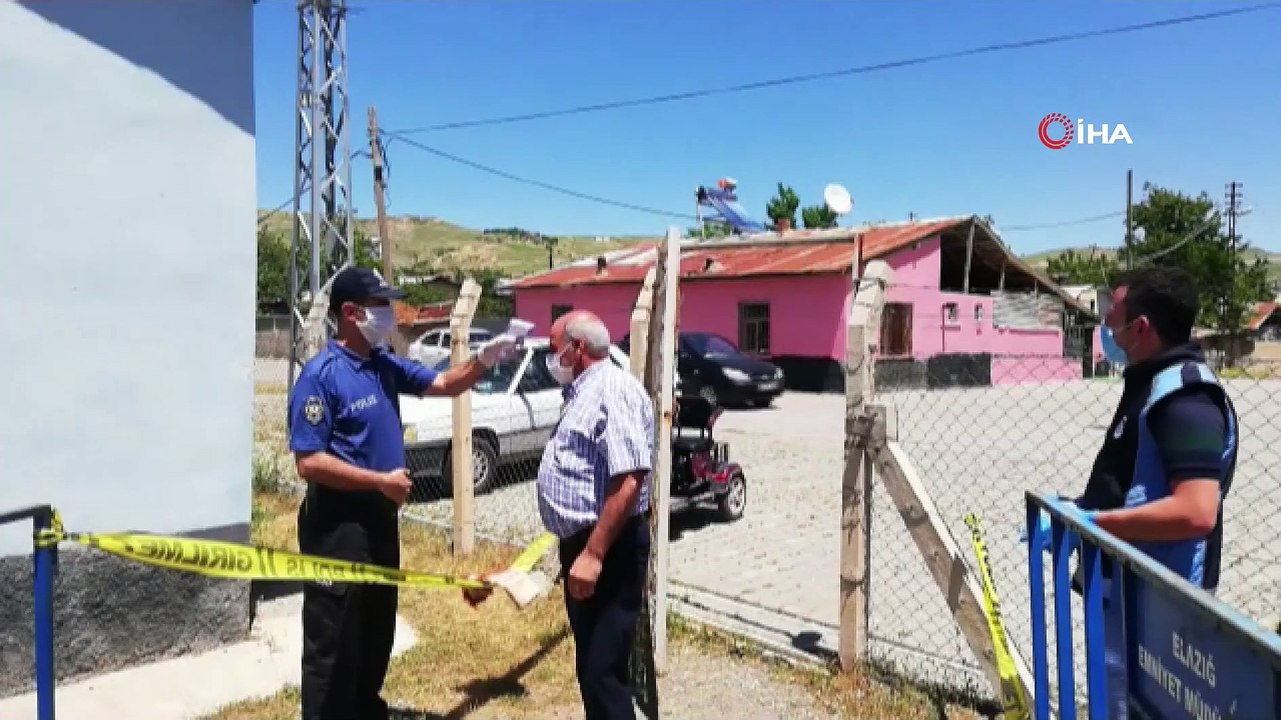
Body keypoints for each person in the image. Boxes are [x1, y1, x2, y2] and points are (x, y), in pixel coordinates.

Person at [287, 266, 516, 720]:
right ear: (350, 313)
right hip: (338, 528)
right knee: (334, 637)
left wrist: (485, 359)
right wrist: (379, 481)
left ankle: (365, 709)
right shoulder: (321, 376)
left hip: (379, 522)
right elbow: (308, 461)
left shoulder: (382, 363)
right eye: (380, 305)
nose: (390, 314)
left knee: (375, 627)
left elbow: (445, 384)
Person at [1034, 266, 1238, 719]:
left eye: (1115, 311)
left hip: (1161, 606)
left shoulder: (1186, 400)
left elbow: (1196, 510)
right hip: (1129, 592)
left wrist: (1094, 525)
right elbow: (1132, 482)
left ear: (1141, 327)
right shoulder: (1150, 384)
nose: (1106, 320)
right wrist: (1078, 508)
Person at [465, 309, 654, 720]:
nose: (552, 359)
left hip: (610, 548)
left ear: (577, 348)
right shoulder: (582, 391)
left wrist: (595, 554)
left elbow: (629, 479)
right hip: (583, 546)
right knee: (591, 668)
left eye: (555, 349)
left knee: (603, 672)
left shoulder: (613, 390)